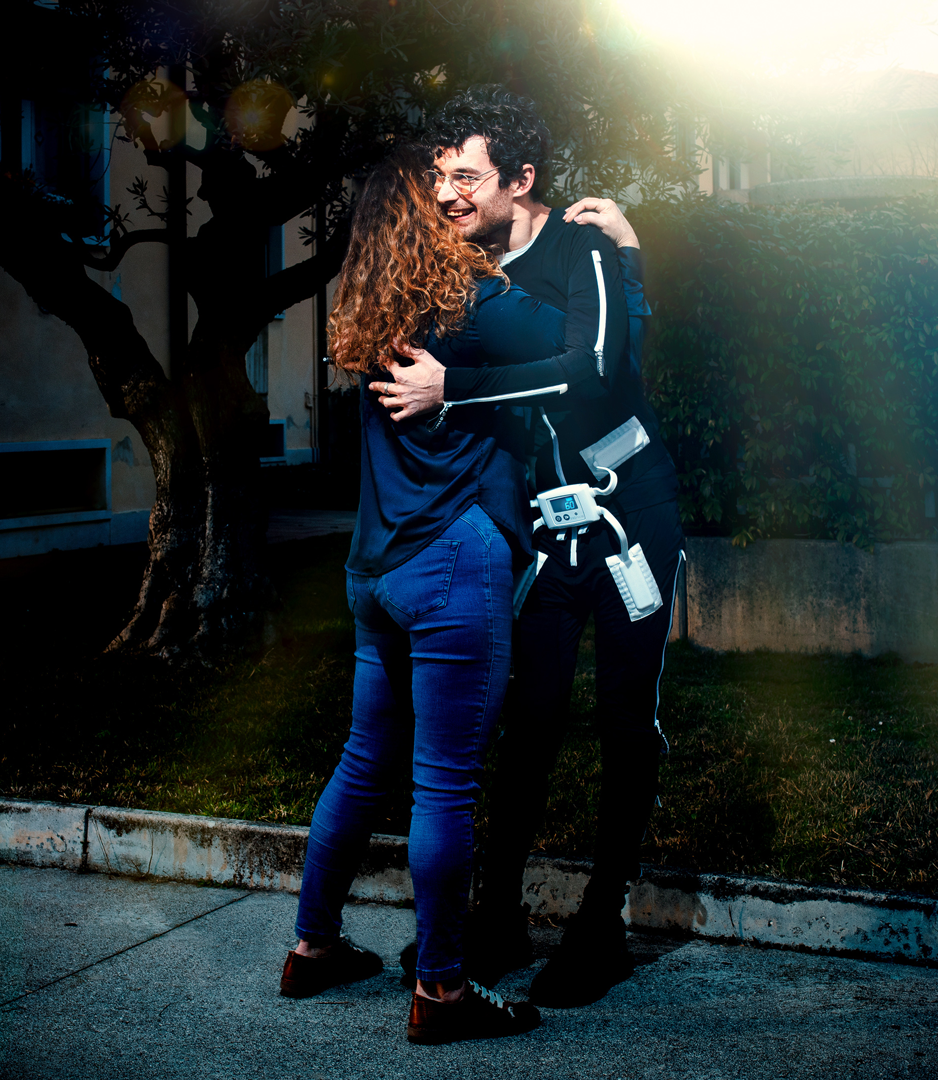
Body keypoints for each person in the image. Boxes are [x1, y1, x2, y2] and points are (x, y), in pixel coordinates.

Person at [282, 144, 607, 1045]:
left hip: (372, 568)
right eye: (441, 194)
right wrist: (618, 249)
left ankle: (311, 948)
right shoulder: (471, 301)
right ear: (423, 219)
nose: (454, 198)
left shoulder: (367, 303)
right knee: (445, 785)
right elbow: (585, 346)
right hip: (450, 564)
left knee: (360, 762)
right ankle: (444, 995)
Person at [374, 85, 685, 1009]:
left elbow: (596, 371)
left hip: (633, 514)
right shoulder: (469, 271)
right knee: (531, 718)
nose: (447, 194)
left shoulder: (581, 245)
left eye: (465, 176)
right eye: (440, 177)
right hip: (549, 534)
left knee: (625, 719)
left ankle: (602, 927)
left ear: (521, 177)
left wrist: (455, 390)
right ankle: (499, 917)